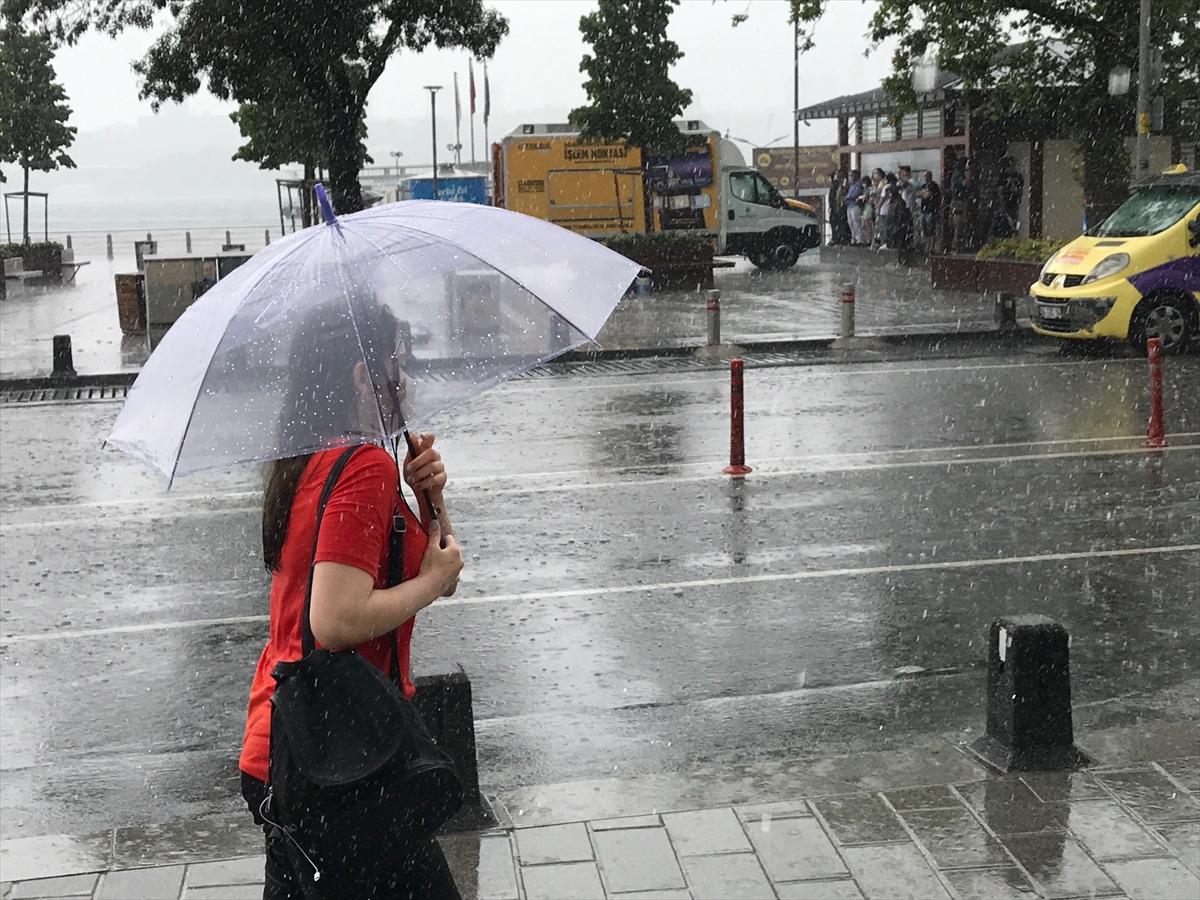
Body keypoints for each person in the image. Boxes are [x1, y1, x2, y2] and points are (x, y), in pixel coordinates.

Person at [240, 299, 466, 899]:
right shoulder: (363, 466)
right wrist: (429, 586)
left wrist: (431, 498)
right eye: (401, 360)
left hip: (291, 739)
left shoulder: (311, 458)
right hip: (342, 754)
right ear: (367, 377)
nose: (409, 377)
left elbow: (440, 564)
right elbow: (336, 619)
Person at [916, 170, 942, 254]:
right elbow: (917, 194)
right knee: (925, 229)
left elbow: (927, 195)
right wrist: (923, 194)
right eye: (924, 176)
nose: (925, 177)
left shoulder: (934, 186)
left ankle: (932, 247)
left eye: (927, 176)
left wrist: (924, 194)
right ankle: (927, 246)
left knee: (931, 229)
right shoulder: (923, 186)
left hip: (931, 210)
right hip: (924, 210)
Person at [845, 169, 865, 245]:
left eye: (851, 175)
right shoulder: (851, 185)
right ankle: (854, 239)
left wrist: (848, 197)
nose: (850, 177)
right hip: (849, 205)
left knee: (856, 222)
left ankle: (860, 239)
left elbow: (856, 193)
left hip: (855, 205)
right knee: (851, 223)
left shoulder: (858, 184)